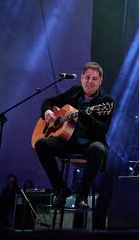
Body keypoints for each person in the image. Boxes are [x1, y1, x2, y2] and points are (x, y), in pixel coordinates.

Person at [35, 61, 114, 209]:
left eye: (94, 78)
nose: (90, 81)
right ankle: (61, 189)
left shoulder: (106, 102)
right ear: (81, 78)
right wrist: (47, 111)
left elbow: (102, 129)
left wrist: (86, 116)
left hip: (89, 144)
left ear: (100, 81)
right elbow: (49, 101)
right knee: (41, 144)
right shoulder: (74, 92)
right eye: (87, 77)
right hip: (67, 141)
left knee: (99, 149)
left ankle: (81, 196)